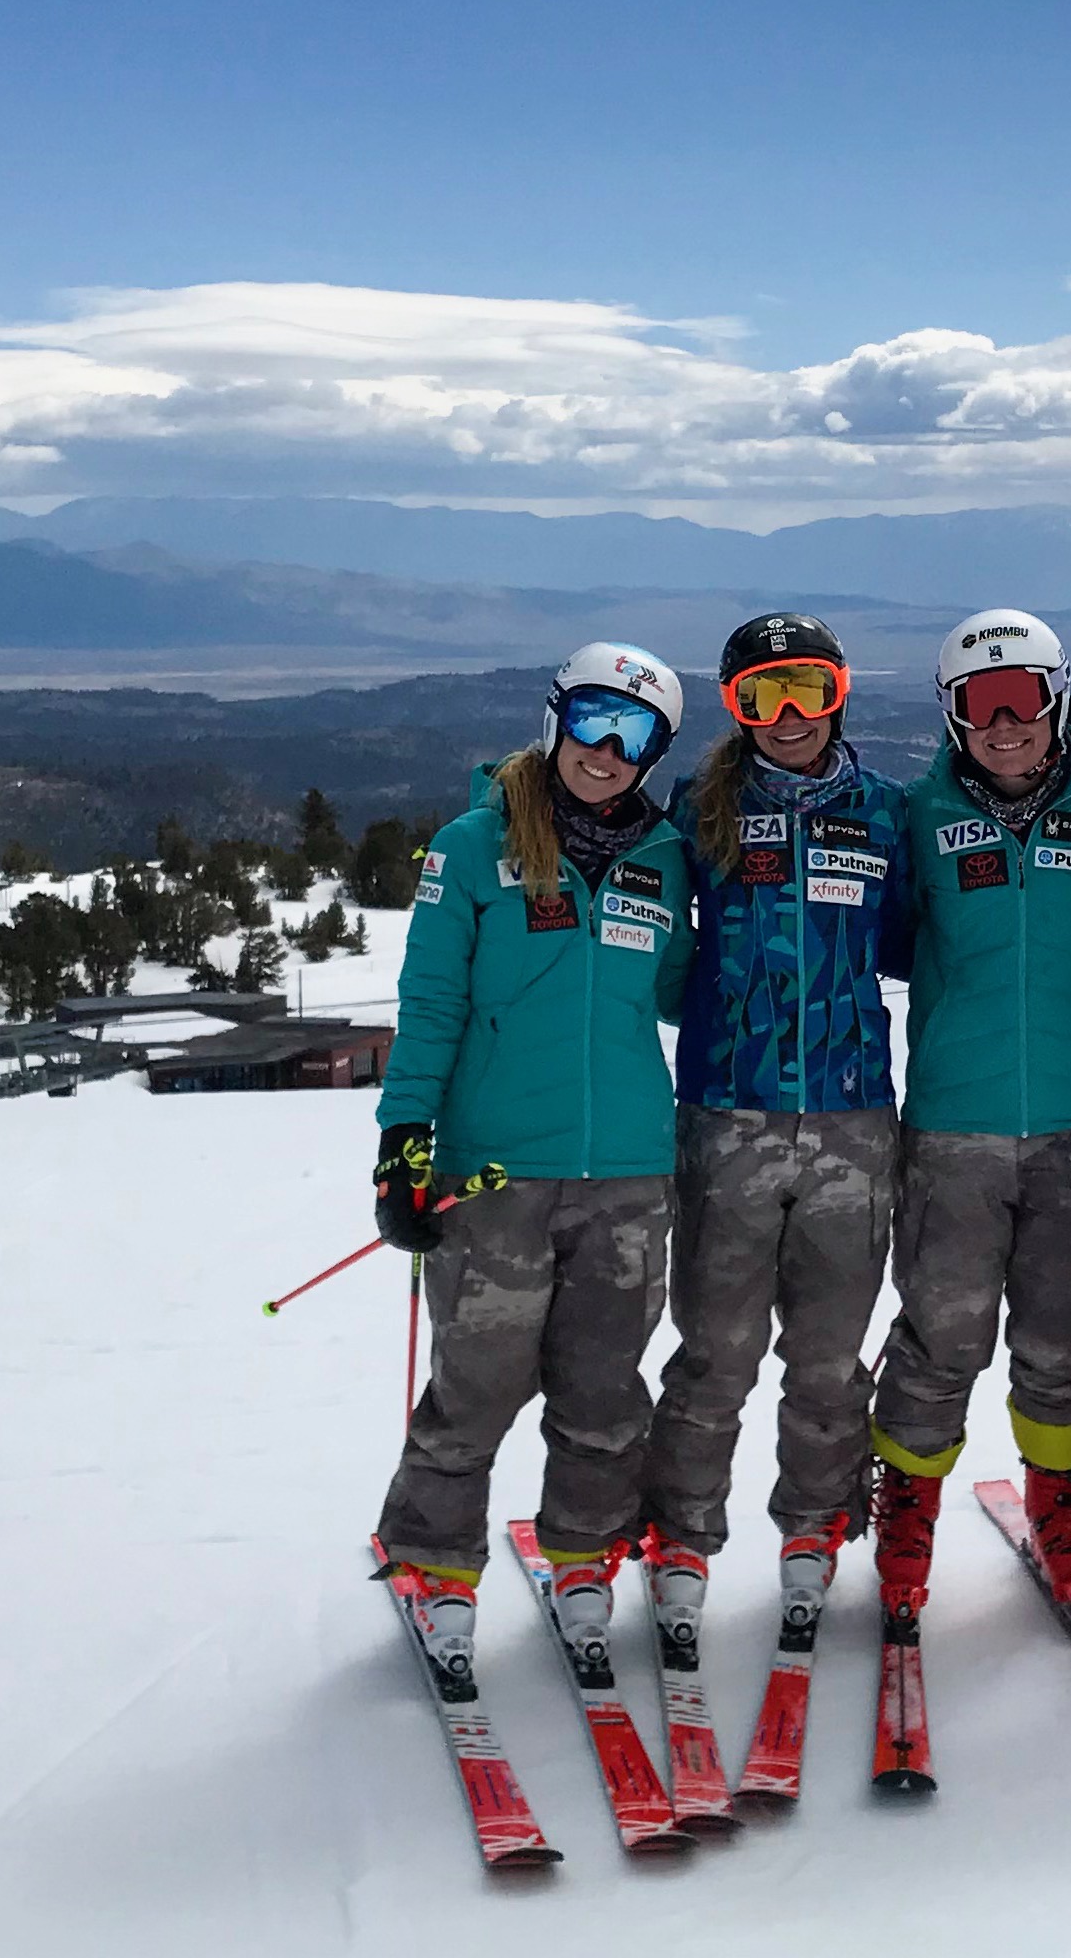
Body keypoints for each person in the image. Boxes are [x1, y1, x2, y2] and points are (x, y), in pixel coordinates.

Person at [371, 643, 694, 1681]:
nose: (606, 749)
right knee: (477, 1379)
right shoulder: (472, 848)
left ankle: (583, 1555)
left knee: (604, 1388)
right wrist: (403, 1138)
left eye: (634, 733)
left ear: (656, 753)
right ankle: (433, 1562)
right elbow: (430, 1003)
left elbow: (683, 989)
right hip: (494, 1170)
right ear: (555, 716)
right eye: (593, 718)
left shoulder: (667, 856)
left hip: (631, 1167)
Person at [862, 610, 1071, 1637]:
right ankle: (906, 1511)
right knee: (940, 1334)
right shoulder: (919, 813)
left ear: (1059, 697)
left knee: (1063, 1337)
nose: (1005, 722)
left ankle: (1061, 1512)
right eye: (980, 704)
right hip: (955, 1124)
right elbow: (887, 939)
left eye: (1023, 696)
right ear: (951, 712)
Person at [640, 614, 913, 1649]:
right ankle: (681, 1539)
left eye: (804, 688)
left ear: (838, 690)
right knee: (713, 1352)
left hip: (850, 1119)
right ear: (733, 708)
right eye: (761, 696)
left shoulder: (885, 811)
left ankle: (814, 1530)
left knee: (830, 1356)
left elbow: (909, 945)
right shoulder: (697, 811)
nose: (787, 716)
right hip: (727, 1113)